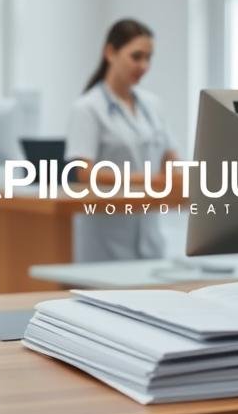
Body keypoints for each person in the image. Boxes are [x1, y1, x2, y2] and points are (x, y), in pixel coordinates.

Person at [66, 18, 179, 261]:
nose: (144, 66)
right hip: (106, 240)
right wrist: (148, 181)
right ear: (110, 52)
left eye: (148, 58)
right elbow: (84, 173)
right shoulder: (87, 108)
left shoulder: (154, 105)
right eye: (136, 57)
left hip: (150, 237)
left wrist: (176, 178)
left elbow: (171, 158)